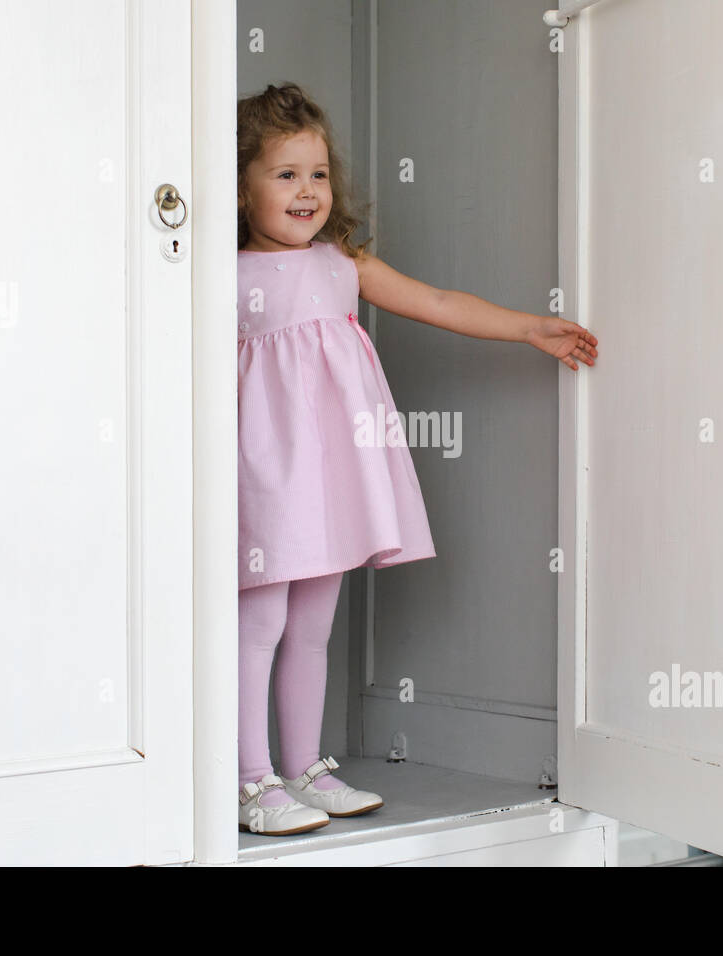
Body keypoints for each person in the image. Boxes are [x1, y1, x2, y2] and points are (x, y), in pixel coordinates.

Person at [236, 82, 598, 836]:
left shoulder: (343, 263)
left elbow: (437, 302)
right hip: (267, 476)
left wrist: (531, 328)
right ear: (243, 185)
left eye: (318, 174)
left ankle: (303, 766)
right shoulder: (223, 274)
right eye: (285, 174)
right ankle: (249, 778)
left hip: (331, 476)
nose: (308, 191)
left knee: (313, 624)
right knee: (259, 622)